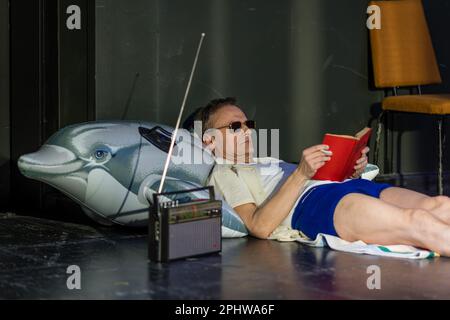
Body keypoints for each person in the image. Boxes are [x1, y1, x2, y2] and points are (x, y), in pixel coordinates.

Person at [191, 97, 450, 257]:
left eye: (249, 125)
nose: (247, 131)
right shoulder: (224, 172)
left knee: (440, 205)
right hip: (315, 204)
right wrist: (302, 172)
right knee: (418, 222)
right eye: (236, 126)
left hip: (344, 185)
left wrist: (351, 167)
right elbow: (258, 226)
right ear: (209, 140)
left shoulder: (266, 161)